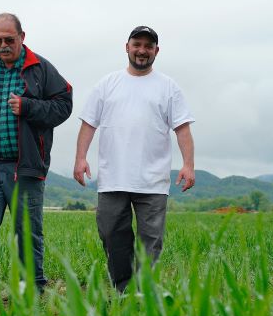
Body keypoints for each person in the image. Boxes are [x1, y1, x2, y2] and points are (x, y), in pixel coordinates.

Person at [0, 13, 72, 304]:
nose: (3, 45)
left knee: (28, 230)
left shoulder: (40, 69)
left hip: (25, 168)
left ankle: (31, 288)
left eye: (9, 39)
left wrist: (28, 106)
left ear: (22, 36)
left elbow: (64, 105)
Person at [73, 26, 195, 293]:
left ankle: (143, 292)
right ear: (127, 47)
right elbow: (88, 123)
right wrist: (80, 158)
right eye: (137, 44)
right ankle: (123, 288)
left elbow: (182, 128)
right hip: (112, 176)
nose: (142, 50)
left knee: (150, 240)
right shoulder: (107, 84)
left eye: (148, 46)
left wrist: (188, 164)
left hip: (153, 179)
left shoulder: (168, 87)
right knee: (111, 233)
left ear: (156, 51)